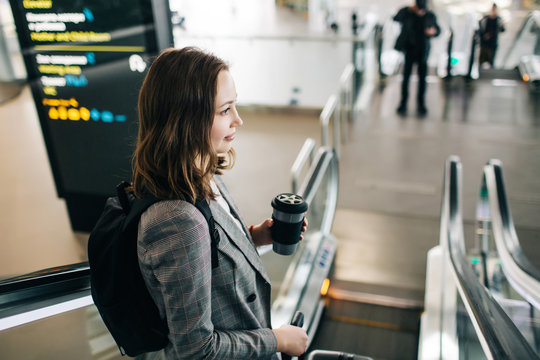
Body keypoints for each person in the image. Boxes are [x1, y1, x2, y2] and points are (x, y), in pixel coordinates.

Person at [130, 47, 309, 359]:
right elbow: (197, 349)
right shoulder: (175, 221)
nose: (238, 120)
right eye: (225, 110)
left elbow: (207, 255)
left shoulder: (204, 174)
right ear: (187, 120)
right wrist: (278, 340)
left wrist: (254, 239)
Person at [394, 0, 440, 117]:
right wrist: (408, 9)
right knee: (406, 78)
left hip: (423, 52)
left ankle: (421, 104)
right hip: (409, 50)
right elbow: (396, 18)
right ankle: (403, 103)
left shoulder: (430, 16)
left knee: (422, 80)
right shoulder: (408, 13)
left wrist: (432, 32)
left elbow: (438, 30)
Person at [479, 3, 505, 68]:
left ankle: (490, 68)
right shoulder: (485, 18)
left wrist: (502, 25)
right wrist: (484, 36)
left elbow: (502, 30)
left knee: (491, 59)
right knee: (482, 58)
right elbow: (480, 29)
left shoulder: (499, 19)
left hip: (493, 42)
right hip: (484, 43)